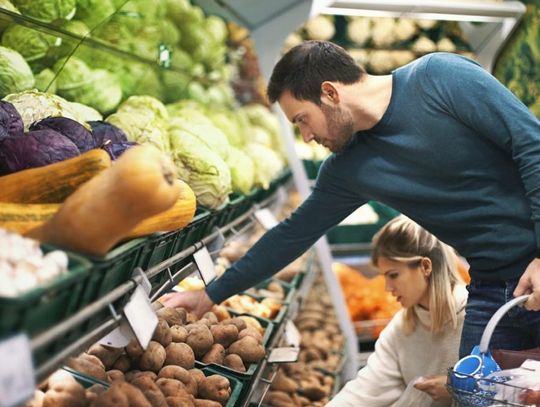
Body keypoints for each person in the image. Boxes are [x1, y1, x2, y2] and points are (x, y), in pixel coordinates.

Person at [162, 40, 540, 357]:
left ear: (330, 92)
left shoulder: (440, 77)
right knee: (476, 394)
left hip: (534, 261)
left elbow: (533, 147)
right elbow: (292, 234)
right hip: (493, 287)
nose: (306, 136)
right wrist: (211, 294)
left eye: (302, 119)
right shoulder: (348, 168)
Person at [328, 215, 466, 407]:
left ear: (425, 266)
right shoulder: (402, 328)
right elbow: (367, 389)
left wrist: (460, 388)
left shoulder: (473, 320)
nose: (387, 287)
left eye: (393, 275)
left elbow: (508, 385)